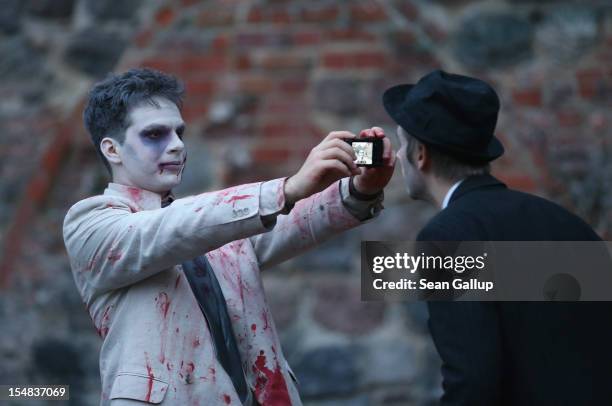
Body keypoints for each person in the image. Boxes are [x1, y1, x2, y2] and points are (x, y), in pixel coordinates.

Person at [63, 68, 395, 405]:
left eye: (179, 132)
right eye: (154, 135)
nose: (177, 145)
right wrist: (287, 187)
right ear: (112, 150)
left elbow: (290, 222)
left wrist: (360, 190)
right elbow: (170, 230)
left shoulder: (215, 225)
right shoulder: (90, 222)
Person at [383, 70, 612, 405]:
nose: (399, 157)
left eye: (402, 145)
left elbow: (472, 383)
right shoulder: (566, 223)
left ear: (420, 155)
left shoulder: (448, 236)